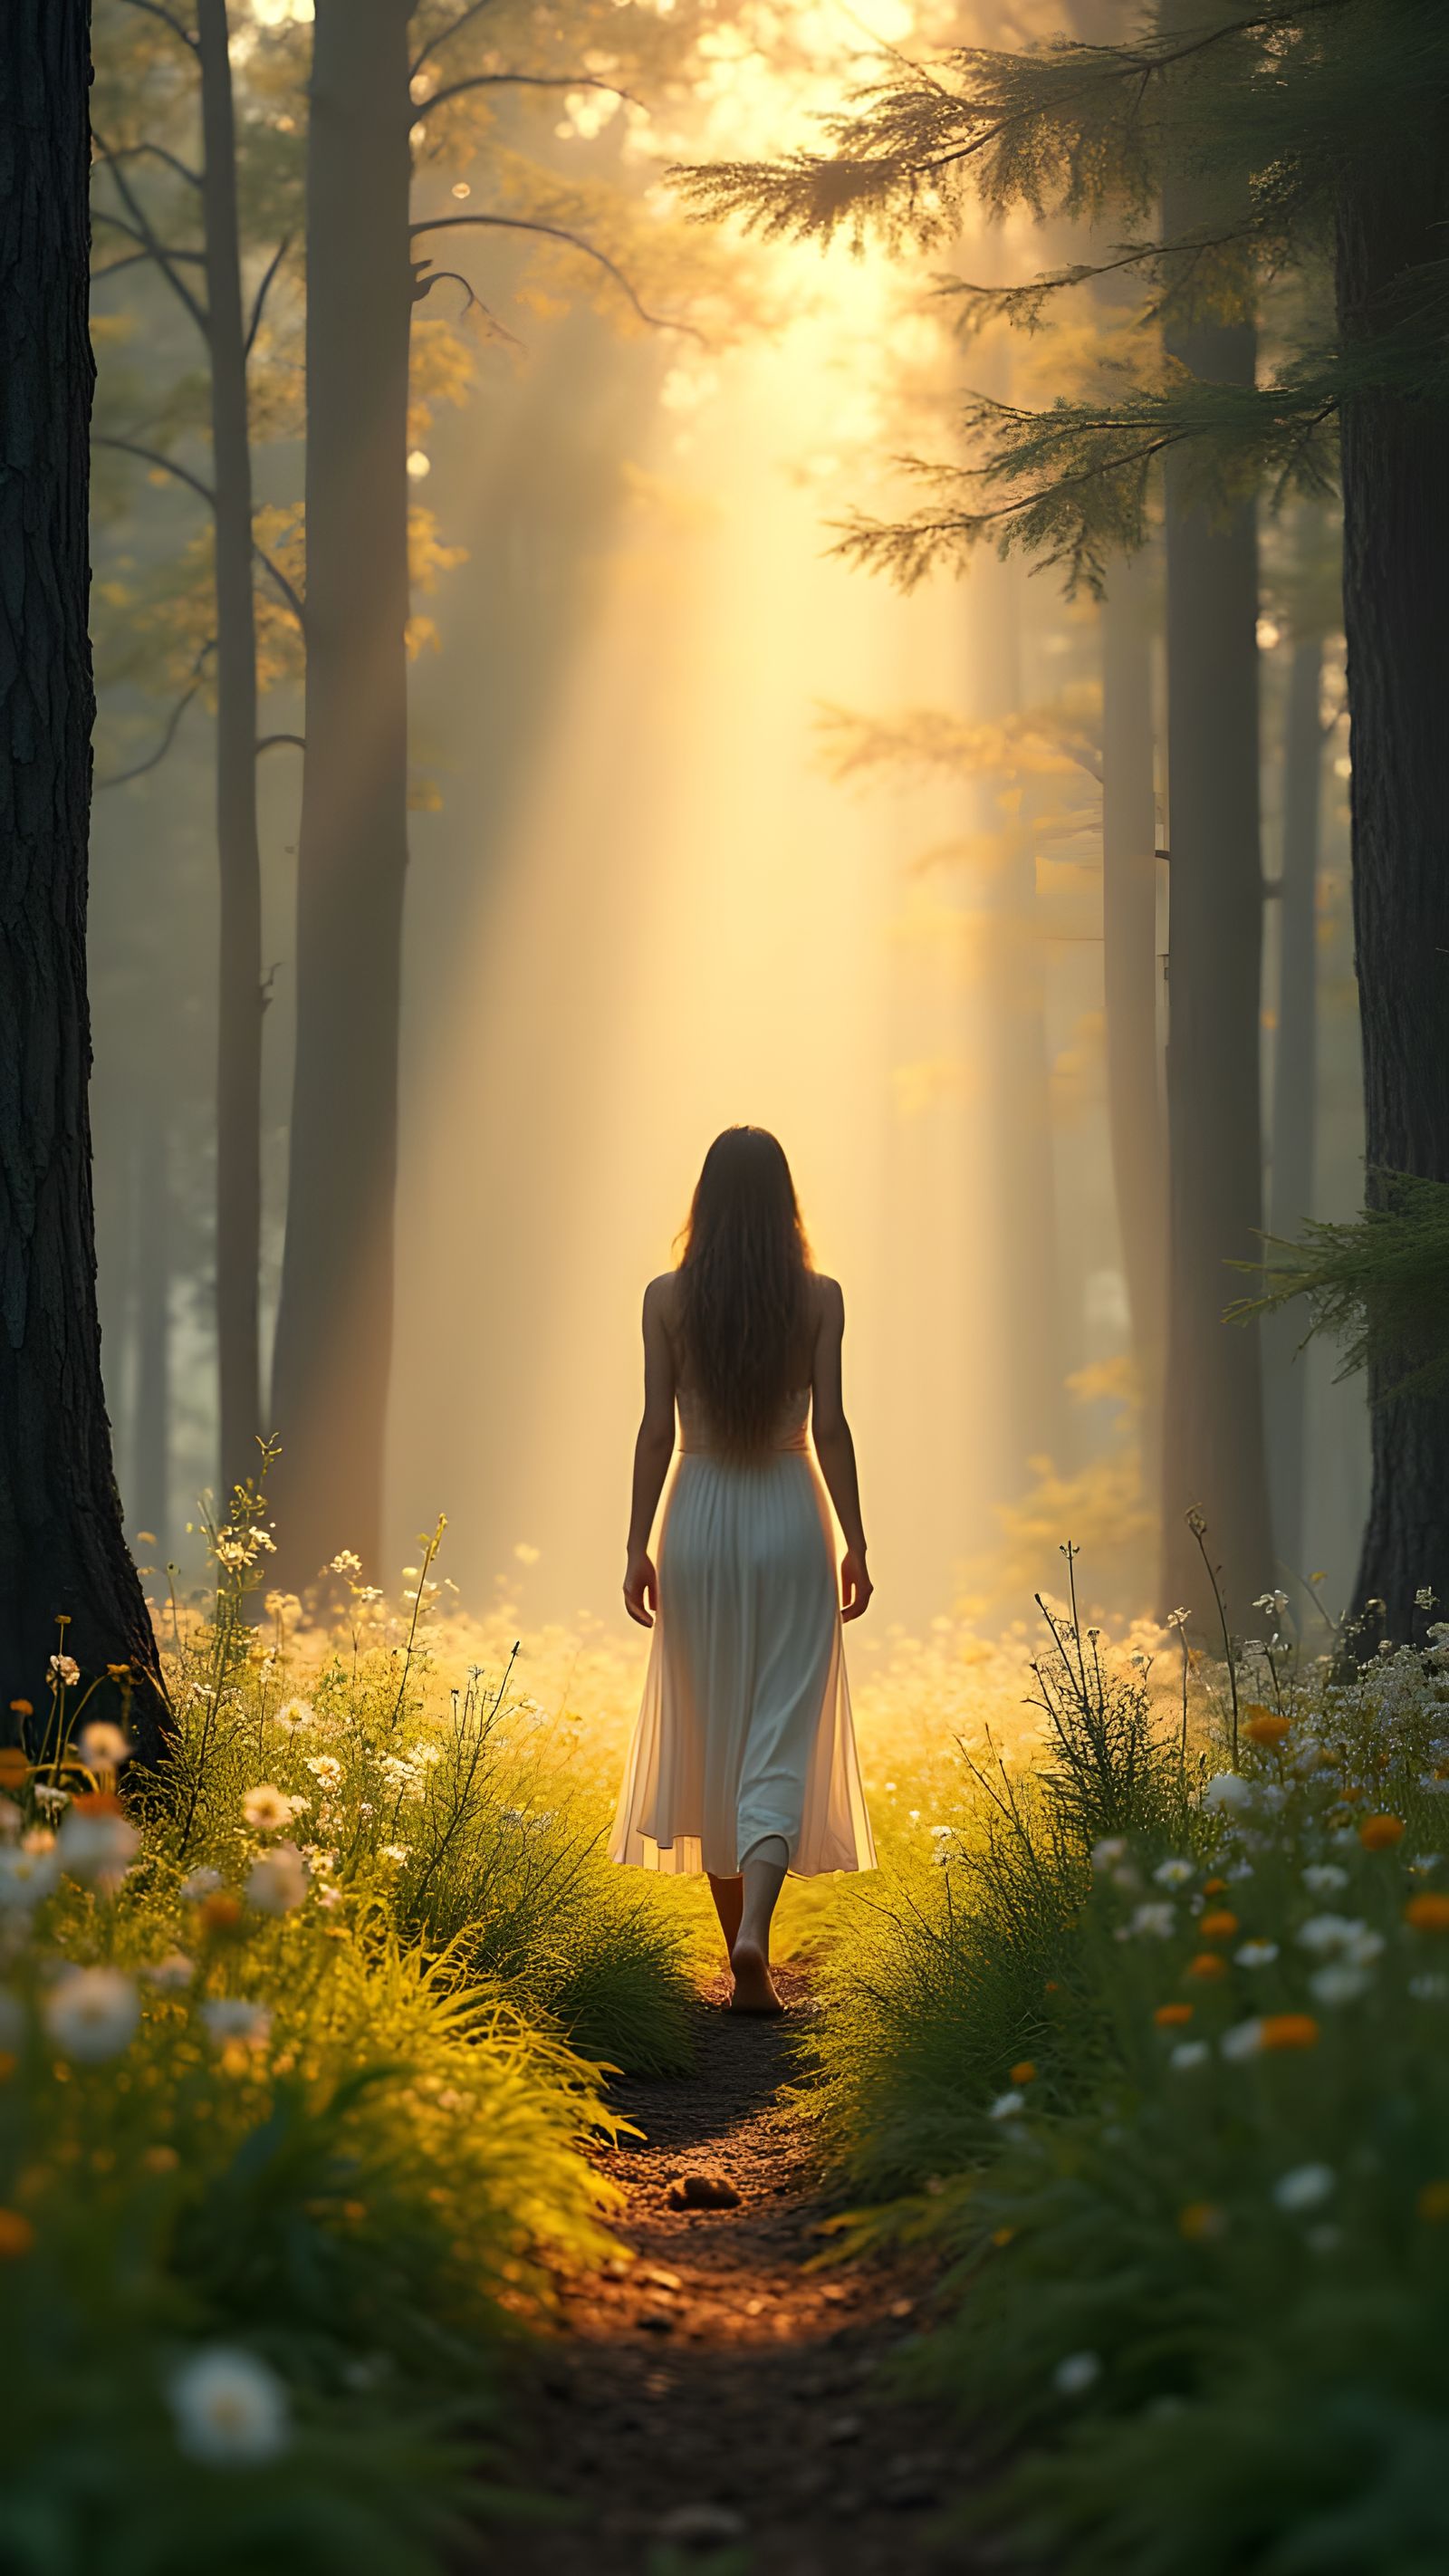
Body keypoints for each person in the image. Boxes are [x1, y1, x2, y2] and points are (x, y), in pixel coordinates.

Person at [609, 1126, 875, 2013]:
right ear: (785, 1202)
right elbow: (830, 1427)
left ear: (705, 1202)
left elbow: (654, 1429)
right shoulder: (820, 1298)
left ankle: (738, 1957)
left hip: (698, 1516)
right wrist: (857, 1543)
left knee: (713, 1727)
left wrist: (635, 1544)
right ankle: (757, 1933)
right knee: (779, 1731)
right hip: (791, 1517)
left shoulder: (664, 1297)